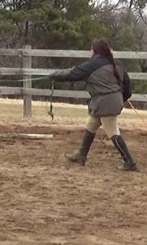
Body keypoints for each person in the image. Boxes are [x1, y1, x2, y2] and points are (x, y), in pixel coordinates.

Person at [50, 39, 137, 171]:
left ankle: (129, 161)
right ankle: (81, 155)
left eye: (91, 49)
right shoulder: (117, 64)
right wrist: (119, 99)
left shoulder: (93, 65)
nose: (90, 51)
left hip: (105, 104)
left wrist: (53, 76)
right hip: (109, 102)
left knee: (113, 132)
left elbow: (72, 74)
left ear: (95, 51)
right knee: (91, 125)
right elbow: (128, 88)